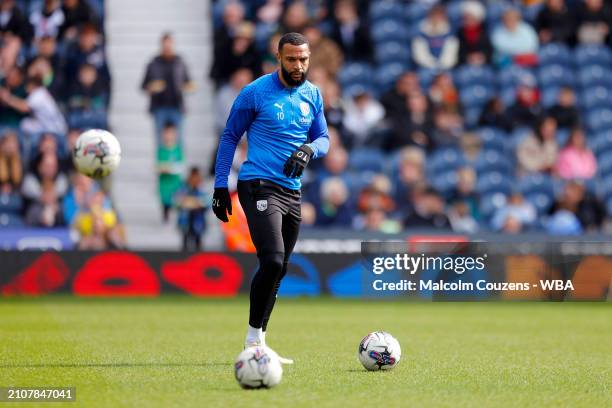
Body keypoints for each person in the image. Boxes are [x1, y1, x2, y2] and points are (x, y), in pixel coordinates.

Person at [212, 33, 329, 363]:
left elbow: (323, 138)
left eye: (303, 59)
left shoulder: (313, 95)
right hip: (257, 185)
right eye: (292, 59)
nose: (298, 65)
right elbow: (230, 137)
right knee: (273, 259)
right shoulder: (255, 93)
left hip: (292, 191)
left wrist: (308, 149)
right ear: (279, 58)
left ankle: (260, 341)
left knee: (279, 268)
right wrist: (222, 186)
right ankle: (251, 342)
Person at [142, 32, 194, 147]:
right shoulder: (153, 63)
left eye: (169, 44)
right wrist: (151, 87)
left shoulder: (180, 62)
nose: (167, 47)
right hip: (159, 107)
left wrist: (187, 87)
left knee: (179, 140)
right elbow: (144, 85)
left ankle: (178, 164)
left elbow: (188, 82)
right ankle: (162, 164)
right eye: (165, 44)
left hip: (177, 106)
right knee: (160, 141)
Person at [175, 167, 208, 251]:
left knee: (198, 242)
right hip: (186, 219)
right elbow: (177, 202)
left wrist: (198, 204)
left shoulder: (202, 190)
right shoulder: (183, 189)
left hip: (198, 219)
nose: (195, 179)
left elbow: (207, 203)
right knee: (185, 242)